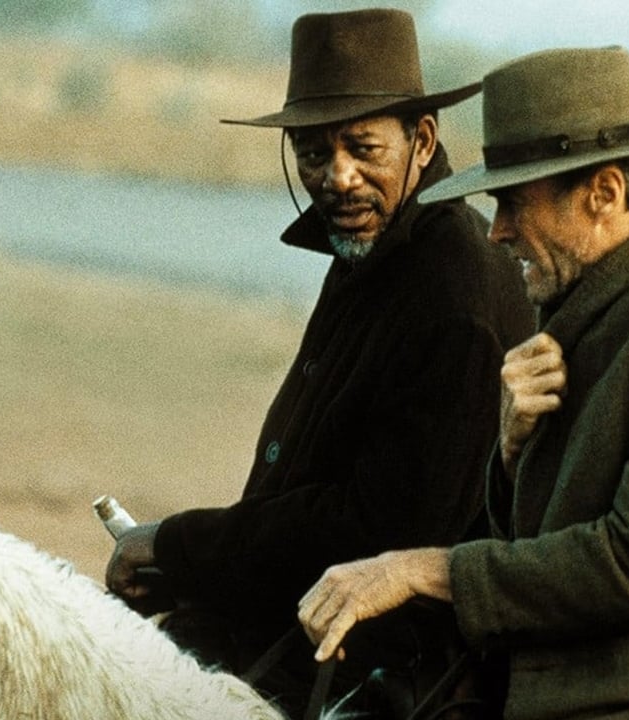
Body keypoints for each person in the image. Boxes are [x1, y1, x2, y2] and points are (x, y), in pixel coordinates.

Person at [297, 45, 629, 719]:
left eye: (512, 203)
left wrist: (417, 570)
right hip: (575, 688)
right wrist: (512, 453)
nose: (496, 233)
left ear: (605, 194)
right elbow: (536, 547)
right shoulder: (588, 309)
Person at [105, 8, 534, 717]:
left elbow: (378, 534)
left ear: (423, 140)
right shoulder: (373, 243)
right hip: (291, 636)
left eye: (363, 147)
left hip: (376, 678)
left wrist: (177, 547)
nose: (337, 177)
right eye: (312, 152)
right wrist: (191, 578)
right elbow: (304, 486)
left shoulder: (455, 292)